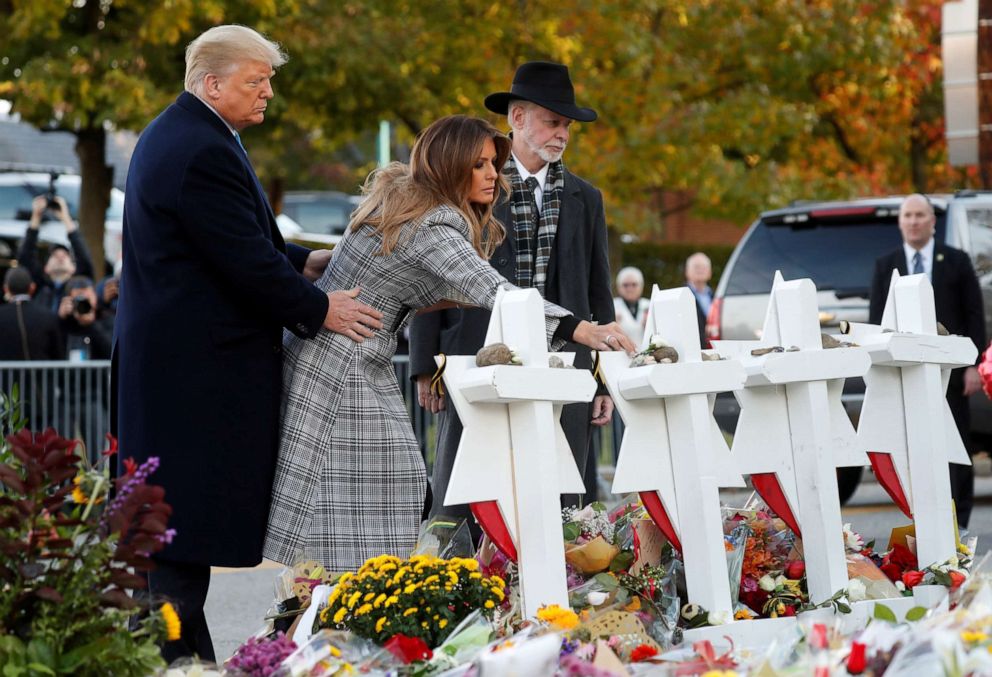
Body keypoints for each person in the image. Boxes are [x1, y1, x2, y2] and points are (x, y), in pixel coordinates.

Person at [114, 25, 383, 662]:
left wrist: (301, 259)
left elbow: (228, 239)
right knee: (176, 538)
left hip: (177, 373)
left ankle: (182, 662)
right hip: (194, 381)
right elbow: (240, 259)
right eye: (254, 81)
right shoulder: (200, 148)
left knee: (175, 538)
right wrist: (320, 308)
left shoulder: (189, 135)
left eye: (268, 80)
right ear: (212, 83)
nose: (267, 93)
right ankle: (177, 664)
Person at [264, 115, 634, 571]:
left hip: (343, 358)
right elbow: (493, 290)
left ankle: (336, 609)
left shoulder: (407, 203)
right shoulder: (434, 226)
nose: (492, 175)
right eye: (479, 165)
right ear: (449, 164)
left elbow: (426, 285)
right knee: (378, 499)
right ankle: (343, 613)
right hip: (342, 365)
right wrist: (581, 330)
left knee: (371, 501)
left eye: (493, 163)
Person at [409, 62, 617, 528]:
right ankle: (464, 587)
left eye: (567, 125)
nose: (562, 133)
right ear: (517, 119)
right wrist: (426, 367)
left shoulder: (587, 197)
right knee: (465, 492)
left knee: (562, 501)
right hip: (474, 357)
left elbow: (598, 292)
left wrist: (602, 379)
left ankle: (564, 594)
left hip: (564, 364)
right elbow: (430, 276)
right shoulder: (471, 182)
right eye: (553, 121)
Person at [868, 193, 986, 528]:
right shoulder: (885, 264)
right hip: (906, 374)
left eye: (921, 215)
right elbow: (878, 321)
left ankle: (958, 519)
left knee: (955, 443)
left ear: (933, 221)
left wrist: (972, 366)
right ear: (900, 221)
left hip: (949, 372)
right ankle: (922, 517)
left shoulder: (957, 261)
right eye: (908, 215)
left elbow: (974, 316)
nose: (915, 221)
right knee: (913, 444)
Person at [17, 195, 95, 314]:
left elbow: (83, 256)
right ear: (46, 268)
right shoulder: (39, 286)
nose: (60, 257)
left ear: (73, 268)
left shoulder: (78, 285)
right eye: (54, 255)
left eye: (65, 255)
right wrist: (36, 216)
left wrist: (65, 217)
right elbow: (25, 256)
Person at [0, 267, 63, 361]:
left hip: (7, 375)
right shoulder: (48, 316)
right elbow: (58, 355)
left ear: (6, 288)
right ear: (32, 287)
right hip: (42, 375)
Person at [58, 276, 113, 360]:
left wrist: (92, 324)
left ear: (95, 298)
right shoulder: (66, 321)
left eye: (87, 299)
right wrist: (60, 320)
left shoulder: (106, 318)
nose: (83, 303)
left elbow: (111, 351)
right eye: (78, 299)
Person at [613, 266, 650, 348]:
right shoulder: (612, 306)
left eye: (634, 284)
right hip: (621, 356)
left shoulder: (650, 305)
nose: (630, 288)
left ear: (641, 286)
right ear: (619, 287)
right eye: (625, 285)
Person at [685, 252, 713, 344]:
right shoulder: (681, 295)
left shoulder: (716, 296)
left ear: (710, 273)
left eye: (704, 267)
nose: (700, 270)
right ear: (687, 272)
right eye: (696, 267)